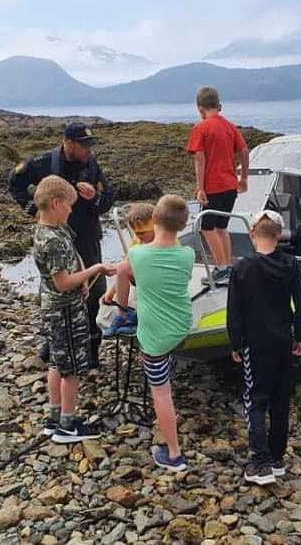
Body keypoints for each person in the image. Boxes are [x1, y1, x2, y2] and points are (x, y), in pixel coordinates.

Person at [8, 122, 115, 366]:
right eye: (83, 145)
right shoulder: (44, 162)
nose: (88, 150)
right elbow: (15, 183)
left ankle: (91, 350)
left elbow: (109, 198)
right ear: (68, 143)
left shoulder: (91, 163)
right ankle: (53, 343)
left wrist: (94, 197)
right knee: (56, 288)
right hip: (57, 236)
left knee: (94, 290)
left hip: (86, 235)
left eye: (90, 145)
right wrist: (35, 211)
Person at [226, 210, 301, 485]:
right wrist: (300, 336)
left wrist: (235, 342)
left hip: (255, 342)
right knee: (280, 400)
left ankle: (259, 463)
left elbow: (234, 311)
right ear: (279, 235)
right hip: (283, 339)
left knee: (255, 400)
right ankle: (277, 458)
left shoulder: (242, 267)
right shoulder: (291, 264)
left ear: (252, 233)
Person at [32, 175, 116, 443]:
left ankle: (54, 417)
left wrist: (82, 278)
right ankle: (67, 427)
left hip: (54, 307)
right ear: (56, 204)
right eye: (69, 205)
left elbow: (68, 267)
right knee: (71, 370)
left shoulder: (49, 230)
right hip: (64, 312)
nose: (71, 210)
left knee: (57, 362)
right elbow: (63, 282)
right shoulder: (53, 240)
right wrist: (96, 269)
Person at [128, 195, 195, 471]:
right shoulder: (187, 254)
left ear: (153, 220)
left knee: (161, 393)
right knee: (162, 361)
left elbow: (132, 277)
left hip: (155, 334)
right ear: (183, 225)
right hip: (182, 324)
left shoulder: (137, 254)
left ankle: (174, 454)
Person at [186, 86, 249, 283]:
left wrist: (200, 187)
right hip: (230, 184)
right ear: (219, 106)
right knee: (222, 227)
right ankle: (228, 266)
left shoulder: (201, 127)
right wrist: (244, 177)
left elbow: (199, 158)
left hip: (213, 186)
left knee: (206, 227)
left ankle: (221, 268)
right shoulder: (230, 126)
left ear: (199, 108)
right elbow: (245, 151)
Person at [98, 203, 156, 337]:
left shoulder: (166, 241)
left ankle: (144, 318)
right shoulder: (137, 241)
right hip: (141, 283)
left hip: (159, 284)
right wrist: (111, 292)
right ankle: (124, 315)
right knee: (122, 267)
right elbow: (125, 264)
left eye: (142, 233)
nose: (139, 236)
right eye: (136, 233)